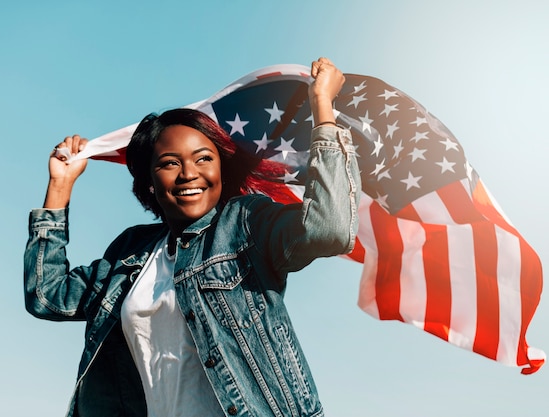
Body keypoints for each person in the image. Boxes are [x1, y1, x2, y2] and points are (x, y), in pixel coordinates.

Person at [24, 57, 361, 417]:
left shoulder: (245, 223)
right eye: (169, 163)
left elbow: (330, 230)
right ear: (149, 183)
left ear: (221, 167)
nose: (188, 174)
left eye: (203, 159)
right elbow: (47, 296)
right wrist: (59, 186)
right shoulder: (130, 251)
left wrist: (323, 108)